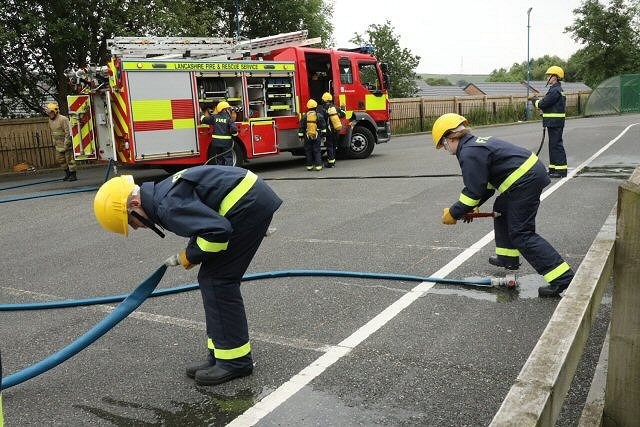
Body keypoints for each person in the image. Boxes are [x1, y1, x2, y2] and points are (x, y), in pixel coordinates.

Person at [93, 165, 282, 385]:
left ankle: (235, 362)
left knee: (219, 281)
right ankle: (220, 355)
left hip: (248, 205)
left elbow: (217, 232)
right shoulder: (159, 198)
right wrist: (192, 254)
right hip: (247, 202)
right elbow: (202, 224)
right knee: (211, 279)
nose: (134, 228)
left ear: (135, 204)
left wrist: (188, 256)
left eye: (129, 222)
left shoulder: (165, 207)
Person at [432, 113, 574, 297]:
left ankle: (562, 278)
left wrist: (454, 212)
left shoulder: (468, 152)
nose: (445, 149)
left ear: (450, 137)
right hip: (528, 176)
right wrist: (473, 207)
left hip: (525, 182)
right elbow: (486, 186)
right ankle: (507, 257)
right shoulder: (475, 144)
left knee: (522, 233)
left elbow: (473, 192)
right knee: (501, 208)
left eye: (443, 144)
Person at [528, 66, 567, 178]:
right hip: (554, 122)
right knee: (553, 145)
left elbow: (542, 104)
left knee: (556, 146)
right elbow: (551, 106)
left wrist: (534, 99)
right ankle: (554, 169)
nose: (547, 78)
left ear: (555, 77)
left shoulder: (555, 90)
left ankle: (560, 171)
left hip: (554, 123)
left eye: (549, 75)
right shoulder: (557, 90)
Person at [200, 101, 238, 166]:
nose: (228, 110)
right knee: (228, 158)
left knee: (219, 158)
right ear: (224, 109)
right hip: (226, 142)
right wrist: (234, 135)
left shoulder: (214, 117)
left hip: (216, 143)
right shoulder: (228, 119)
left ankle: (220, 172)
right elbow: (234, 129)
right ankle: (231, 173)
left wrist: (200, 113)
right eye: (227, 109)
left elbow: (204, 120)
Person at [46, 102, 77, 181]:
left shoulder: (63, 119)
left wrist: (67, 143)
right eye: (48, 113)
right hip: (58, 145)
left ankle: (73, 175)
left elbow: (68, 132)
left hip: (66, 143)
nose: (50, 114)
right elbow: (53, 132)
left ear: (56, 111)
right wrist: (54, 142)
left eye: (51, 112)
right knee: (61, 160)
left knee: (69, 159)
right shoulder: (50, 120)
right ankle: (67, 174)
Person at [317, 92, 345, 168]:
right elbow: (343, 114)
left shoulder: (322, 109)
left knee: (329, 146)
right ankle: (333, 161)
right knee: (334, 146)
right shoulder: (335, 108)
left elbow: (320, 119)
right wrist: (343, 108)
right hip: (336, 129)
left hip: (328, 131)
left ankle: (331, 163)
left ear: (323, 100)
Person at [298, 99, 327, 171]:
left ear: (308, 107)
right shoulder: (319, 115)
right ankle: (318, 166)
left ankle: (309, 166)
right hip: (316, 135)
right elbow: (323, 127)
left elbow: (301, 127)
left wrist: (301, 136)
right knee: (317, 150)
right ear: (316, 107)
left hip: (307, 136)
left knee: (308, 151)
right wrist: (324, 136)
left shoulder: (305, 116)